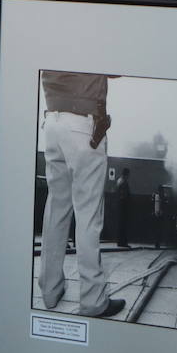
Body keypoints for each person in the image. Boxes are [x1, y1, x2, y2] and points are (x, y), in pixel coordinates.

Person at [38, 71, 125, 319]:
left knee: (56, 208)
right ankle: (93, 301)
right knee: (88, 215)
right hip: (82, 126)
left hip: (52, 123)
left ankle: (50, 292)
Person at [115, 167, 132, 249]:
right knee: (123, 224)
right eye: (128, 175)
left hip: (119, 204)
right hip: (123, 205)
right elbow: (125, 195)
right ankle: (123, 242)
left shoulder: (119, 181)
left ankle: (120, 241)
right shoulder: (124, 182)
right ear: (126, 174)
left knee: (120, 224)